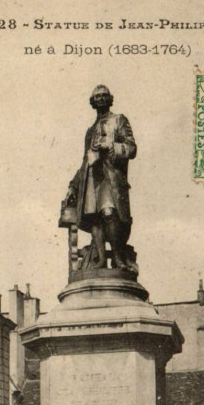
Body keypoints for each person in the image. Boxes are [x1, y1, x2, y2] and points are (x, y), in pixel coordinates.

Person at [65, 84, 137, 270]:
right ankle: (100, 259)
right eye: (97, 97)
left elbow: (131, 148)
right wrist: (73, 186)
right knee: (94, 217)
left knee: (109, 213)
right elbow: (84, 162)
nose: (101, 99)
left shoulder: (119, 120)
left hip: (110, 178)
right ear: (92, 102)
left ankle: (119, 258)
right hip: (91, 178)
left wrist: (110, 145)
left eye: (104, 96)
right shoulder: (90, 130)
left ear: (110, 99)